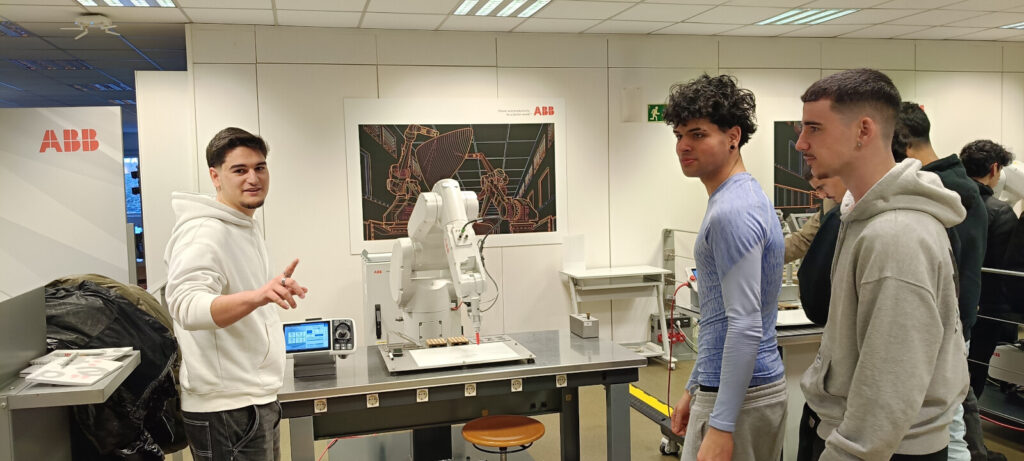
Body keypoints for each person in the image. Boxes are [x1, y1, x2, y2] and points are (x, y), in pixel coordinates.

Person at [796, 68, 968, 460]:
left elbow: (889, 389)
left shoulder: (896, 235)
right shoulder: (860, 216)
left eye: (814, 128)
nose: (802, 142)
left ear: (863, 130)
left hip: (886, 451)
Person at [165, 127, 308, 461]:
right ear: (215, 177)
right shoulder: (206, 231)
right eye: (240, 170)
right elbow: (186, 306)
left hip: (253, 400)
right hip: (226, 409)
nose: (253, 178)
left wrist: (268, 291)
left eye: (260, 167)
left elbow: (239, 293)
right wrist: (258, 296)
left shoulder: (242, 225)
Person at [665, 74, 787, 461]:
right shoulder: (739, 197)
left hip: (741, 397)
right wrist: (694, 386)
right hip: (731, 387)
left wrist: (721, 425)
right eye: (679, 135)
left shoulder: (733, 210)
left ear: (733, 136)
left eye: (698, 134)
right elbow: (719, 318)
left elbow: (745, 324)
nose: (683, 146)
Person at [898, 102, 993, 461]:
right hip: (947, 324)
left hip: (947, 327)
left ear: (905, 144)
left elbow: (952, 270)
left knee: (948, 427)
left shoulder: (946, 189)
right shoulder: (948, 185)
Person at [961, 140, 1017, 400]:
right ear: (994, 169)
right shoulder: (1000, 211)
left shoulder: (946, 200)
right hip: (986, 306)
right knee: (974, 372)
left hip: (949, 299)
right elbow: (1006, 265)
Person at [785, 170, 827, 263]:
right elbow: (804, 239)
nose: (821, 196)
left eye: (822, 187)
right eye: (817, 190)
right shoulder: (829, 205)